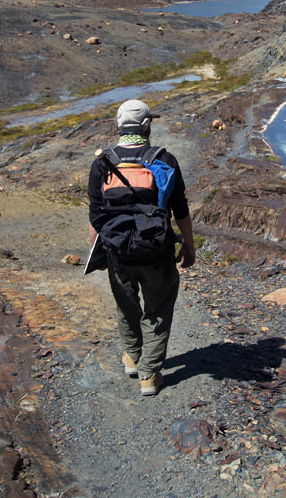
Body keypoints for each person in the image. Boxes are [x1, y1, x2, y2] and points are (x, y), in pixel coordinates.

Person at [87, 99, 196, 396]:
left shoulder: (103, 161)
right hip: (156, 251)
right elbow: (180, 209)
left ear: (119, 127)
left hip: (117, 251)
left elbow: (95, 214)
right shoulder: (164, 159)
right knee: (158, 307)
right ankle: (149, 373)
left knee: (126, 303)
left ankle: (133, 357)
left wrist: (99, 251)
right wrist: (188, 244)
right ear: (147, 127)